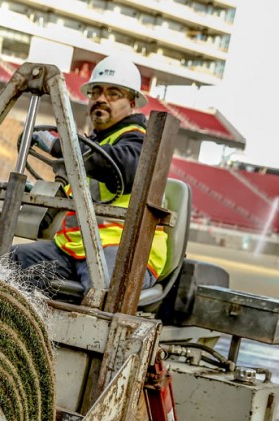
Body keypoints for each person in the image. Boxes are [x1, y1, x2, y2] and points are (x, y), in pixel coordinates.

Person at [11, 55, 168, 295]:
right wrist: (41, 194)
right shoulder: (93, 143)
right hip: (75, 249)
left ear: (133, 101)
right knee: (7, 262)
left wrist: (58, 145)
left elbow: (120, 168)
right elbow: (83, 190)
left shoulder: (141, 142)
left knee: (101, 288)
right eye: (96, 92)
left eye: (113, 93)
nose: (101, 99)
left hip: (123, 251)